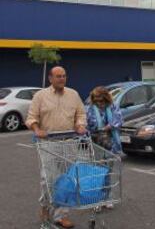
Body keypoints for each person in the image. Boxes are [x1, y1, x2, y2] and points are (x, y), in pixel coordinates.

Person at [26, 66, 87, 229]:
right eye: (58, 76)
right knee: (48, 180)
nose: (62, 79)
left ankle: (61, 215)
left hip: (69, 142)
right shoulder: (40, 96)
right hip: (48, 143)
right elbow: (31, 117)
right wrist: (37, 129)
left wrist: (80, 125)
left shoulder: (73, 94)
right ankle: (45, 207)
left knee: (66, 180)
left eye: (64, 76)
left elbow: (81, 114)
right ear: (50, 78)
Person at [86, 86, 123, 156]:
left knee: (112, 163)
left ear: (106, 99)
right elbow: (88, 125)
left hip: (112, 142)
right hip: (96, 142)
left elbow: (118, 120)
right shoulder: (90, 109)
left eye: (101, 101)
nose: (98, 103)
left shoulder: (113, 107)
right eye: (95, 101)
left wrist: (107, 127)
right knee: (98, 163)